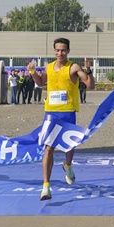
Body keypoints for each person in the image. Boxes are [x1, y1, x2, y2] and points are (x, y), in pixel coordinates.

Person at [29, 38, 93, 200]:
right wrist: (33, 72)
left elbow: (90, 85)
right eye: (57, 50)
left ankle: (68, 165)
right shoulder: (48, 67)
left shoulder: (73, 67)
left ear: (68, 51)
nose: (60, 53)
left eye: (63, 50)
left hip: (68, 112)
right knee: (48, 148)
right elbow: (41, 82)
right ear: (54, 51)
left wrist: (88, 70)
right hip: (51, 113)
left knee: (68, 146)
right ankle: (46, 186)